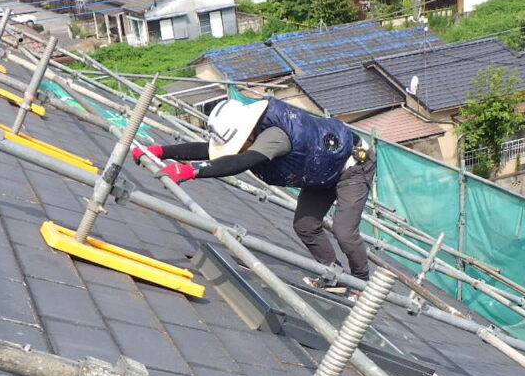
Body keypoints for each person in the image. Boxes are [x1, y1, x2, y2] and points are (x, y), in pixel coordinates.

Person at [131, 97, 375, 295]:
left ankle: (361, 284)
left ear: (247, 133)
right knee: (306, 225)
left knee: (344, 230)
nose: (236, 147)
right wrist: (162, 151)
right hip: (318, 173)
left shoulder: (275, 137)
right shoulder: (253, 134)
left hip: (352, 166)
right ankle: (334, 276)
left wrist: (193, 171)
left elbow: (241, 161)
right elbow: (211, 151)